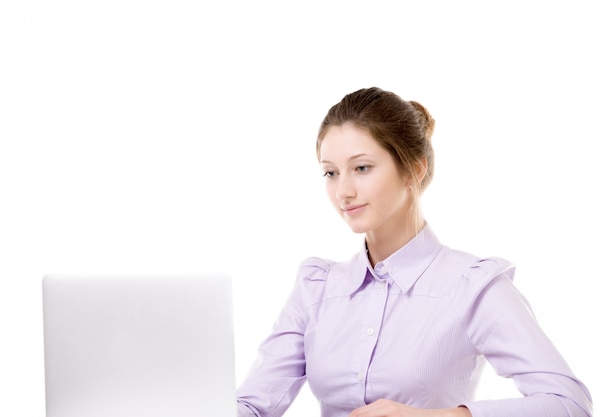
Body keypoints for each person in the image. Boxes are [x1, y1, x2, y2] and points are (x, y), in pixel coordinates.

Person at [235, 87, 593, 417]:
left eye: (361, 168)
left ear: (413, 170)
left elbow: (568, 403)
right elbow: (252, 406)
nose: (343, 190)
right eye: (330, 173)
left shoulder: (472, 286)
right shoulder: (317, 288)